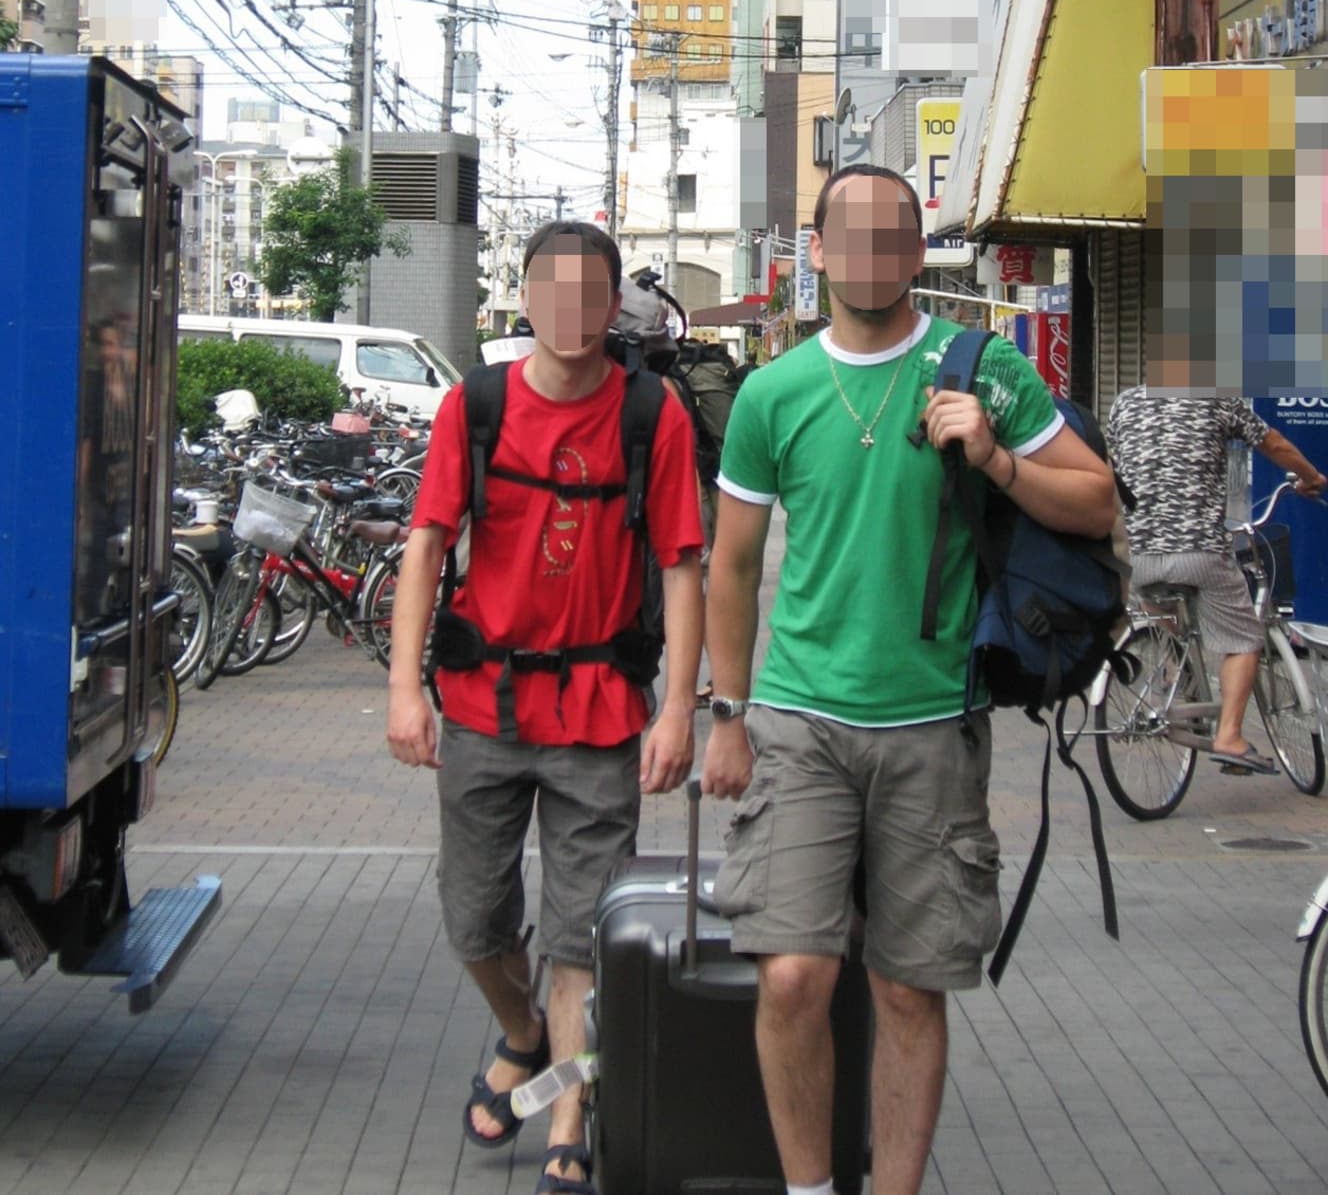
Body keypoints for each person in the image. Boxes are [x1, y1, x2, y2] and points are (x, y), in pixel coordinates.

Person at [700, 165, 1116, 1195]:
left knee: (905, 989)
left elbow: (1100, 504)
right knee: (792, 974)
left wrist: (996, 459)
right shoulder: (773, 391)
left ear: (914, 247)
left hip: (934, 722)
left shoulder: (980, 371)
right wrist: (724, 713)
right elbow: (733, 564)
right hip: (797, 718)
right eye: (855, 235)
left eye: (897, 235)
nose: (875, 254)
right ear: (820, 251)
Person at [387, 220, 705, 1195]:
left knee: (577, 935)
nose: (569, 310)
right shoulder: (474, 406)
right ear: (521, 299)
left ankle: (570, 1107)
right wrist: (404, 688)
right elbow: (426, 548)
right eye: (549, 290)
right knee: (474, 918)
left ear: (613, 308)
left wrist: (680, 711)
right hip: (482, 705)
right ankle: (524, 1035)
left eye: (588, 293)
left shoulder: (652, 415)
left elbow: (683, 569)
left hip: (601, 712)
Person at [1106, 386, 1325, 773]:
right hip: (1199, 552)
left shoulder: (1125, 401)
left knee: (1169, 622)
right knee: (1243, 637)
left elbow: (1111, 464)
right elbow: (1273, 444)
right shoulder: (1216, 398)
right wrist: (1311, 477)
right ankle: (1230, 738)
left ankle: (1184, 690)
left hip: (1137, 556)